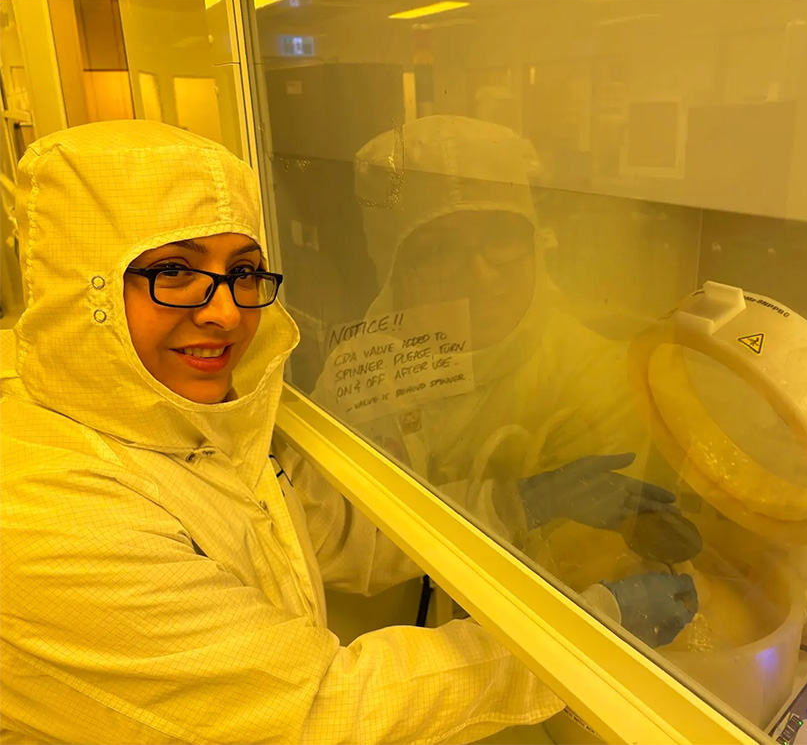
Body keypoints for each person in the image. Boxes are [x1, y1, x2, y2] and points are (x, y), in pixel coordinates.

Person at [0, 120, 567, 743]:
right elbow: (322, 708)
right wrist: (576, 650)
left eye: (244, 272)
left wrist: (518, 504)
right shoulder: (47, 511)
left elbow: (316, 532)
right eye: (174, 271)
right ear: (88, 292)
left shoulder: (185, 424)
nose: (225, 311)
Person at [306, 116, 702, 644]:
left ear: (537, 243)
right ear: (394, 265)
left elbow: (582, 569)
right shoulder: (360, 371)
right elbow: (333, 536)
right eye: (439, 249)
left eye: (501, 238)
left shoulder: (593, 374)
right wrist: (520, 503)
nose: (481, 272)